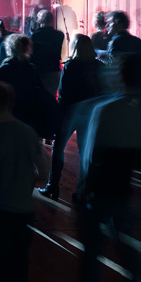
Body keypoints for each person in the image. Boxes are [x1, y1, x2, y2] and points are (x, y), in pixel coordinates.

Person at [76, 54, 141, 282]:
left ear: (119, 76)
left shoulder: (105, 109)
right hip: (123, 185)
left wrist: (85, 186)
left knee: (92, 251)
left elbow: (93, 154)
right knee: (123, 242)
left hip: (100, 188)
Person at [0, 81, 48, 282]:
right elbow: (44, 172)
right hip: (23, 207)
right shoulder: (28, 133)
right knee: (21, 260)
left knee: (1, 263)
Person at [39, 34, 102, 201]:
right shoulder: (98, 65)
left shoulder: (71, 66)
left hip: (70, 111)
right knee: (85, 152)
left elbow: (64, 95)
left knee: (58, 148)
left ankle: (53, 186)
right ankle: (83, 190)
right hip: (90, 113)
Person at [0, 34, 52, 137]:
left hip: (11, 109)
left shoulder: (5, 68)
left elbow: (0, 91)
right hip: (29, 110)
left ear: (10, 48)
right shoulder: (31, 69)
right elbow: (39, 89)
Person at [29, 8, 64, 96]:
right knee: (52, 96)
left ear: (40, 21)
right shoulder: (59, 35)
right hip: (54, 68)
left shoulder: (35, 36)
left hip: (40, 70)